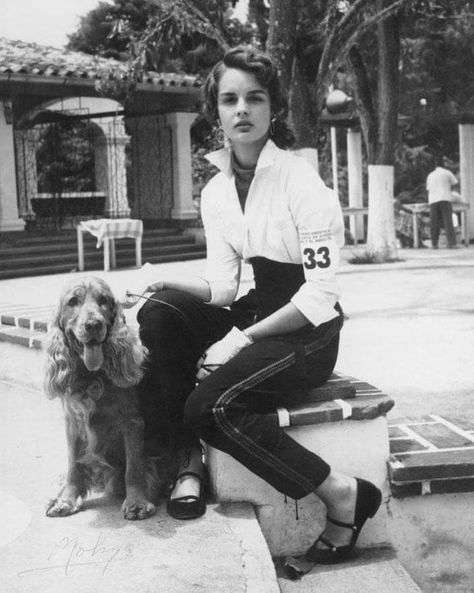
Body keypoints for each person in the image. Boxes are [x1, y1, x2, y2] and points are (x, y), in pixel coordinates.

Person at [126, 46, 381, 564]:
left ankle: (342, 493)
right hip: (254, 307)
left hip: (306, 330)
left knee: (214, 407)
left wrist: (240, 338)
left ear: (273, 109)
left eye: (254, 98)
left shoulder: (303, 183)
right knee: (161, 313)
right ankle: (188, 464)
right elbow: (223, 285)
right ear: (215, 110)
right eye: (229, 99)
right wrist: (163, 282)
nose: (241, 109)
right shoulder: (217, 191)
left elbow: (320, 293)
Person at [426, 156, 459, 248]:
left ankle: (434, 244)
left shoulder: (430, 175)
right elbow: (455, 184)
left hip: (432, 200)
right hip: (445, 198)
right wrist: (451, 192)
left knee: (434, 222)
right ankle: (452, 243)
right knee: (448, 221)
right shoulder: (447, 173)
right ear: (444, 164)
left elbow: (428, 189)